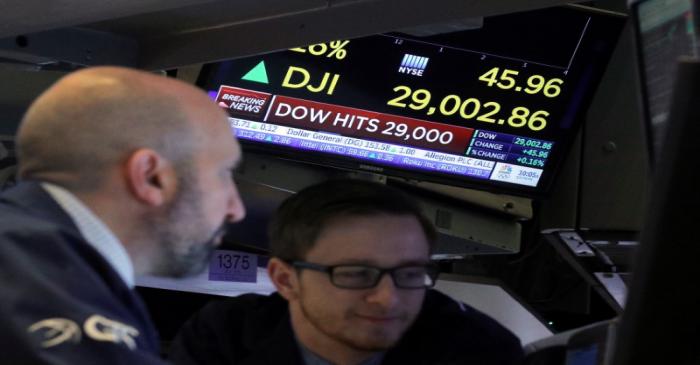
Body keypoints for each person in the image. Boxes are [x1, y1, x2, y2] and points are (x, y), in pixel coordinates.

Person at [0, 67, 246, 364]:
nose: (236, 209)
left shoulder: (31, 255)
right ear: (150, 176)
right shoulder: (47, 284)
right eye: (223, 174)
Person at [170, 179, 524, 365]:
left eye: (410, 274)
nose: (388, 298)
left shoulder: (481, 350)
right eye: (355, 274)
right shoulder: (224, 338)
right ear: (285, 279)